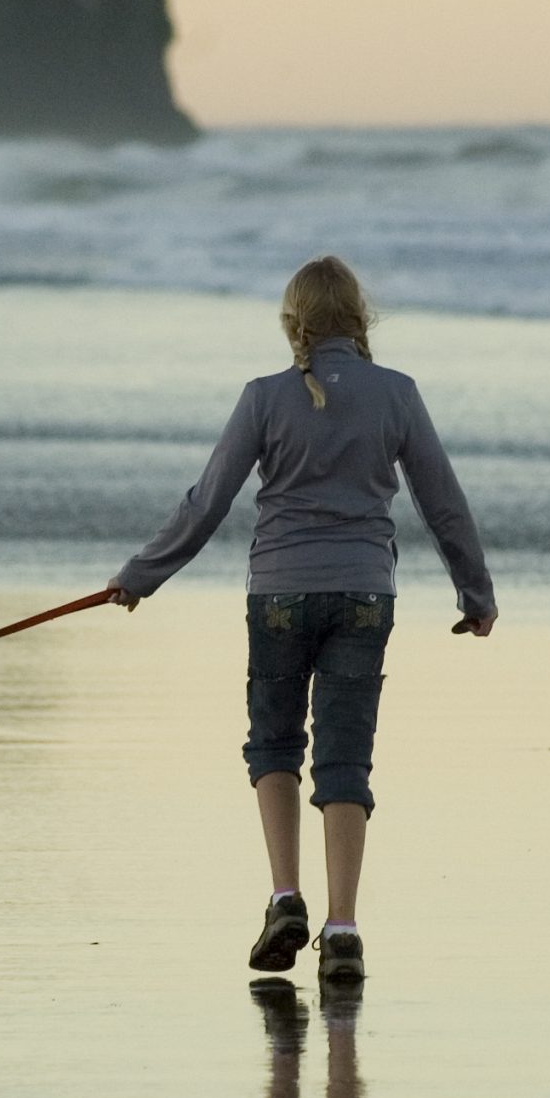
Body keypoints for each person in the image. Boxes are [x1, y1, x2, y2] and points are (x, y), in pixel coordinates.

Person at [107, 256, 496, 982]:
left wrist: (141, 576)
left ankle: (286, 895)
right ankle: (343, 928)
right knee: (346, 758)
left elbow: (207, 501)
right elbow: (444, 503)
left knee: (274, 746)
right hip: (364, 595)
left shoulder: (264, 398)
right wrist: (476, 595)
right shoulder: (397, 395)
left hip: (279, 595)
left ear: (295, 325)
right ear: (360, 319)